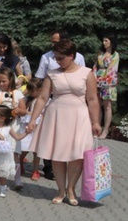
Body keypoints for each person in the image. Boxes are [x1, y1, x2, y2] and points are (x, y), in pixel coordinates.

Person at [26, 39, 102, 205]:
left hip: (79, 116)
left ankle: (71, 188)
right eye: (56, 58)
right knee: (58, 154)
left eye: (61, 58)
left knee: (78, 154)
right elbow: (43, 98)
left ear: (71, 56)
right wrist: (33, 119)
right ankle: (61, 190)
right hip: (57, 116)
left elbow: (92, 99)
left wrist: (95, 122)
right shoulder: (52, 74)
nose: (57, 61)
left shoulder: (87, 73)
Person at [93, 35, 119, 139]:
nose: (104, 42)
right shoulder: (100, 54)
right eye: (103, 40)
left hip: (108, 83)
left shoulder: (115, 55)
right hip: (97, 82)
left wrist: (104, 81)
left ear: (111, 42)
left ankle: (106, 130)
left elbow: (112, 70)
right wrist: (94, 78)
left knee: (107, 106)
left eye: (106, 40)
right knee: (98, 106)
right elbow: (95, 67)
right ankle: (97, 128)